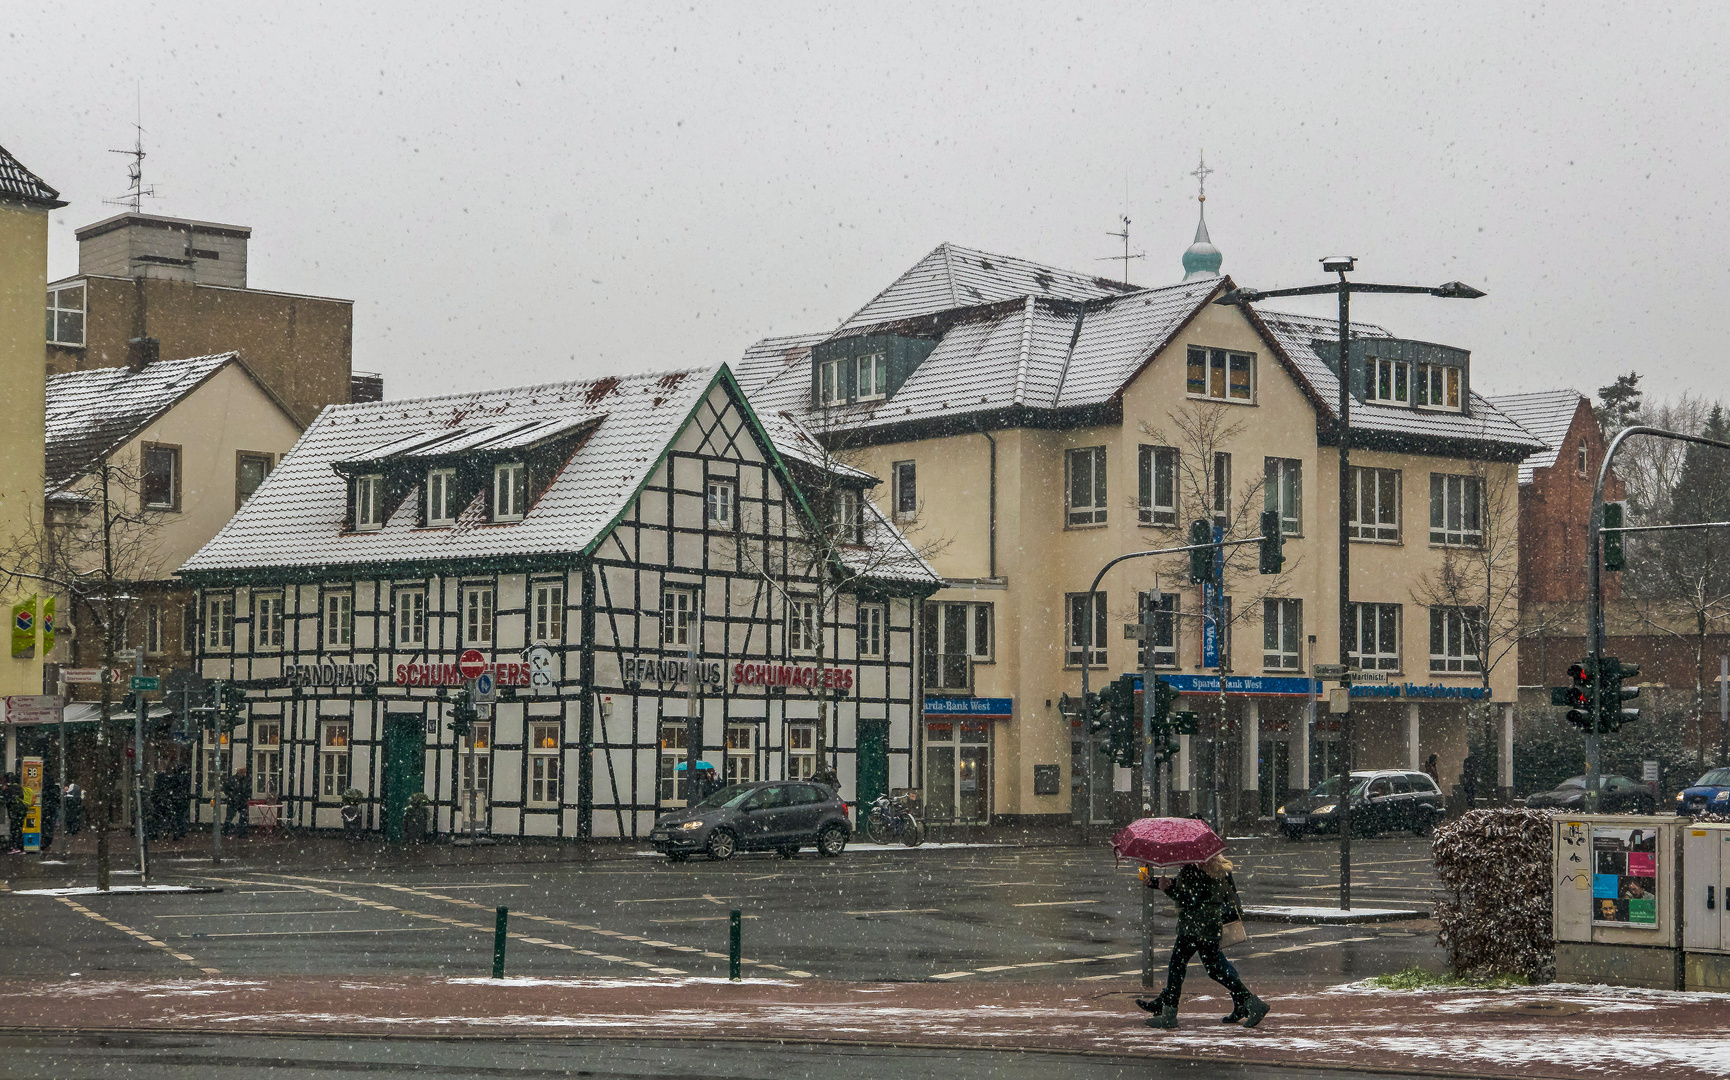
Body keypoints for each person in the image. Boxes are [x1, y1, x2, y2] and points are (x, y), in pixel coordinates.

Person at [1136, 852, 1269, 1030]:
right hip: (1210, 925)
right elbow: (1197, 889)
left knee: (1177, 966)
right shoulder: (1214, 866)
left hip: (1193, 927)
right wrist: (1156, 883)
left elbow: (1189, 897)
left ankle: (1169, 1014)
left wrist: (1166, 888)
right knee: (1215, 968)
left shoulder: (1192, 868)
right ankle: (1250, 1002)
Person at [222, 768, 251, 839]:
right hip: (233, 801)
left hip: (242, 801)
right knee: (229, 816)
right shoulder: (231, 779)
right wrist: (231, 795)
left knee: (243, 817)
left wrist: (246, 797)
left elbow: (248, 789)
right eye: (242, 772)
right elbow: (226, 789)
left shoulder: (246, 780)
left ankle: (242, 833)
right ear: (238, 772)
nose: (243, 773)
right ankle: (225, 831)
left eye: (244, 772)